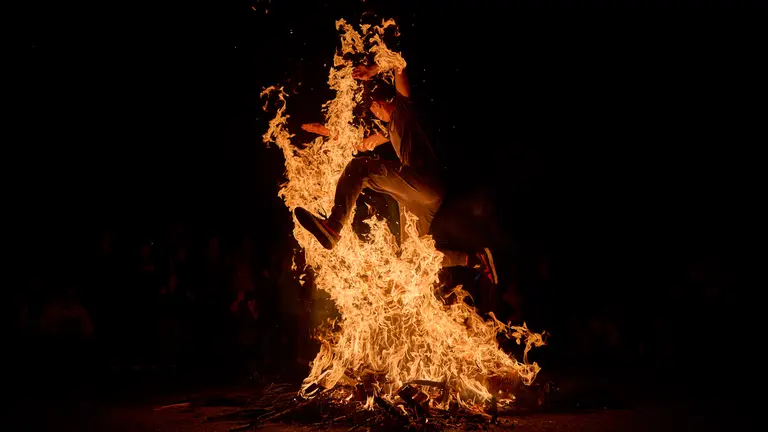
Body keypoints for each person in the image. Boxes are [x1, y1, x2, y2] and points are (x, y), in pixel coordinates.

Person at [295, 62, 498, 283]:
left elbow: (398, 62)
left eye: (373, 107)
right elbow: (361, 144)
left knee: (360, 168)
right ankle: (473, 260)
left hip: (423, 183)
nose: (373, 112)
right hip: (421, 199)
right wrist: (326, 131)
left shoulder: (404, 106)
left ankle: (334, 225)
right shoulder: (388, 129)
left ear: (381, 101)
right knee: (412, 257)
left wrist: (372, 71)